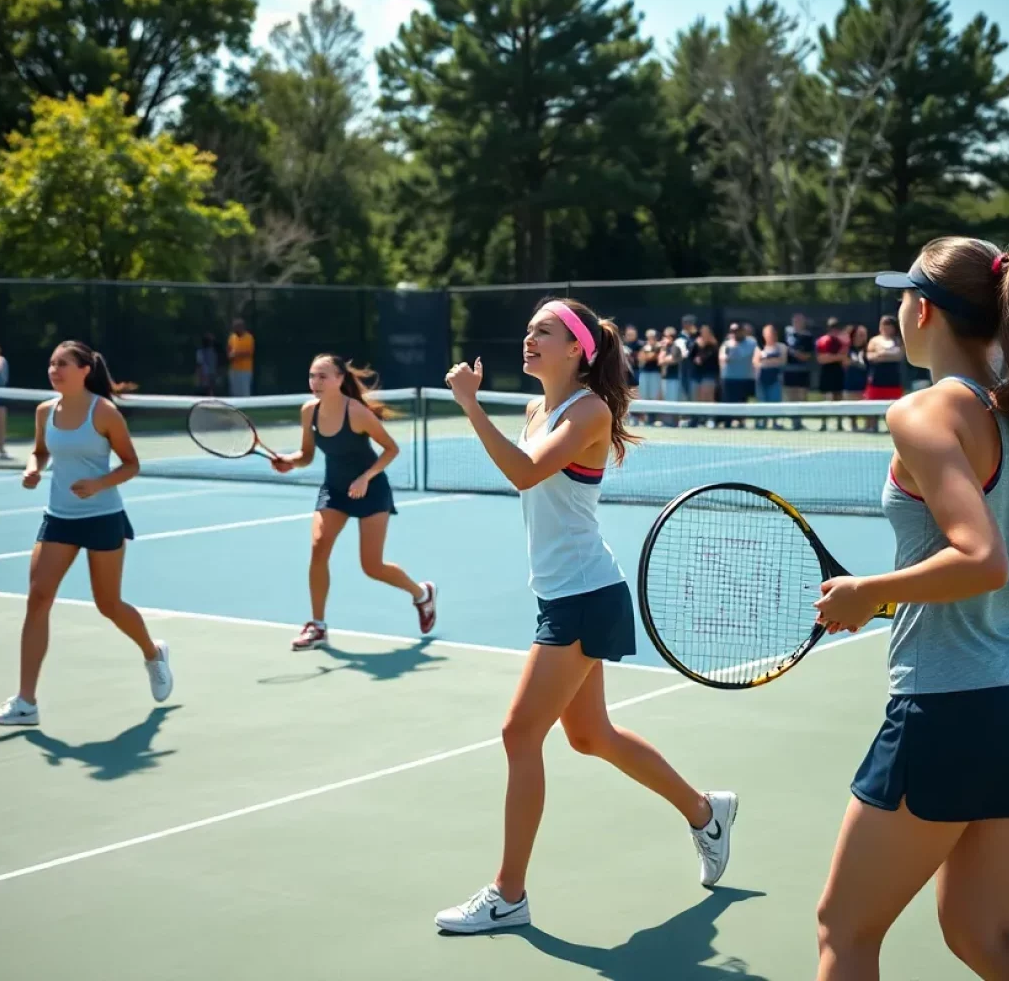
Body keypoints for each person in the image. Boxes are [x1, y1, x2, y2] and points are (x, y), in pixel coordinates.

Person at [435, 298, 737, 934]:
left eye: (543, 331)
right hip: (561, 592)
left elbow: (524, 473)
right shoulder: (536, 408)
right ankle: (705, 811)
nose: (529, 339)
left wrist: (468, 404)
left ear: (576, 348)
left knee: (520, 734)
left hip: (583, 595)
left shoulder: (590, 411)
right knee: (591, 736)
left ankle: (508, 894)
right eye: (527, 330)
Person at [813, 237, 1009, 980]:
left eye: (901, 295)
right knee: (981, 933)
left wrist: (873, 591)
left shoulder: (923, 413)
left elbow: (980, 557)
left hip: (948, 707)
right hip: (1008, 702)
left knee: (843, 930)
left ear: (922, 308)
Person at [0, 341, 173, 728]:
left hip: (102, 516)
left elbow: (131, 464)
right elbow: (40, 451)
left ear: (84, 370)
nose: (54, 370)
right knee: (38, 598)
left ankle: (153, 652)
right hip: (59, 517)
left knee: (108, 604)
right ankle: (26, 702)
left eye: (63, 364)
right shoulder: (46, 411)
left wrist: (98, 484)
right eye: (51, 364)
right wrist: (32, 467)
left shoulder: (104, 412)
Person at [270, 353, 436, 649]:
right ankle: (318, 626)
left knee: (371, 566)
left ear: (339, 379)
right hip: (334, 490)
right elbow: (307, 455)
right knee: (318, 548)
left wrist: (365, 478)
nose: (315, 382)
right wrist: (290, 462)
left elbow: (390, 449)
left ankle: (421, 594)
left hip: (370, 490)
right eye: (312, 376)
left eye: (323, 376)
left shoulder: (356, 412)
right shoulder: (309, 411)